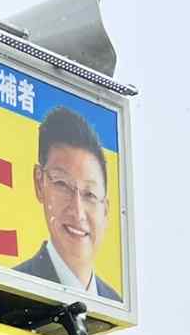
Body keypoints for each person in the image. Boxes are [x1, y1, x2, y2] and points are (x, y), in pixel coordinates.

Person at [15, 105, 122, 301]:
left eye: (90, 194)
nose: (78, 211)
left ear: (106, 210)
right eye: (62, 184)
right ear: (39, 182)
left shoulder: (115, 304)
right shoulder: (13, 286)